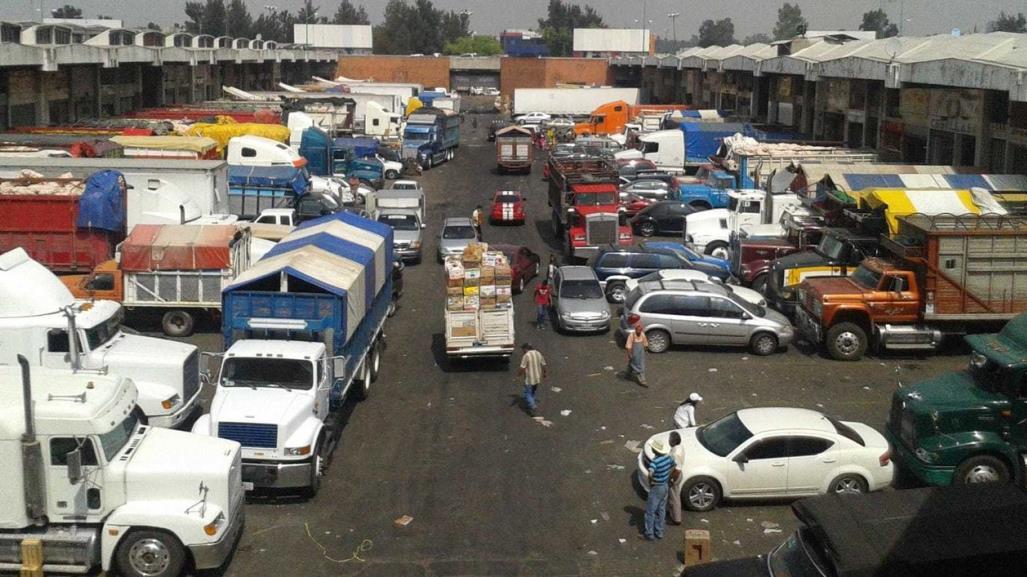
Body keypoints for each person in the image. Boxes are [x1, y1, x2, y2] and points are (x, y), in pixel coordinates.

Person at [643, 439, 679, 541]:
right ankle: (659, 531)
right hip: (665, 486)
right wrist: (667, 475)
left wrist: (651, 482)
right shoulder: (668, 458)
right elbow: (674, 465)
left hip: (657, 487)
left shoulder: (655, 462)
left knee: (650, 511)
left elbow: (650, 473)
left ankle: (649, 533)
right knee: (661, 509)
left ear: (655, 451)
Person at [515, 343, 546, 416]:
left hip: (529, 379)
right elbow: (544, 364)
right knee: (533, 391)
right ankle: (532, 403)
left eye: (523, 350)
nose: (522, 351)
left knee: (527, 393)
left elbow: (522, 367)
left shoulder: (526, 355)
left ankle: (532, 406)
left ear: (525, 349)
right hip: (537, 377)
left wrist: (518, 376)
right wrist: (545, 373)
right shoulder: (538, 353)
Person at [666, 432, 685, 525]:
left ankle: (676, 519)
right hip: (677, 474)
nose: (668, 440)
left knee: (674, 498)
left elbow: (677, 470)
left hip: (675, 476)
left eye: (670, 439)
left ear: (673, 441)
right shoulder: (679, 447)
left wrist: (671, 479)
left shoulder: (675, 454)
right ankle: (672, 513)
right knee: (674, 496)